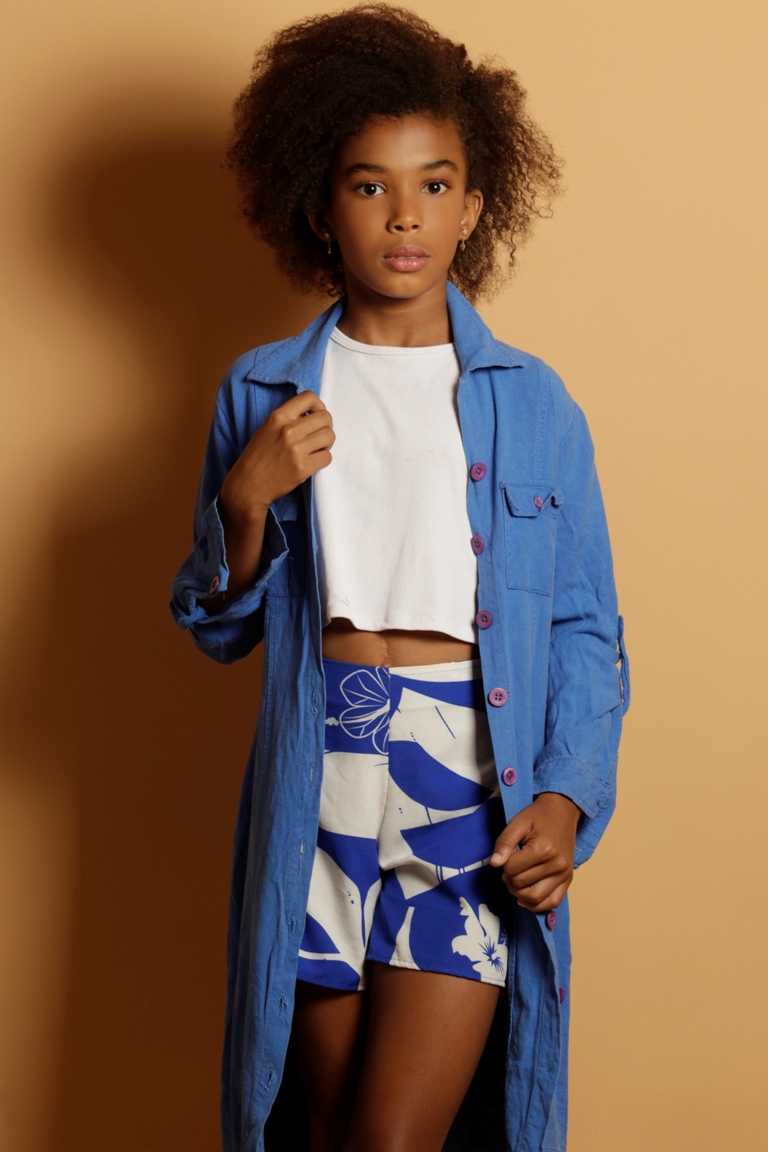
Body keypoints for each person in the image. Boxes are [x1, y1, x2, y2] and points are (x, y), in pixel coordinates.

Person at [171, 6, 629, 1151]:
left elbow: (586, 628)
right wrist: (243, 502)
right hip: (317, 775)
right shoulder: (262, 391)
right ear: (320, 206)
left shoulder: (535, 403)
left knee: (395, 1137)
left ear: (475, 204)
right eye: (370, 185)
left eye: (436, 184)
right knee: (324, 1127)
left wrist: (567, 797)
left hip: (462, 776)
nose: (406, 215)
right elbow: (217, 626)